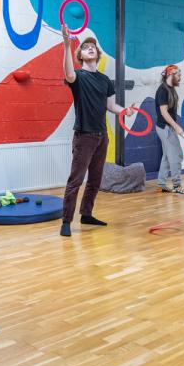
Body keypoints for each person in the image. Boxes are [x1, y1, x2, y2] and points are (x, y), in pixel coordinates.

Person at [60, 25, 134, 237]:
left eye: (93, 46)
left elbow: (112, 106)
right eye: (86, 47)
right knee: (76, 180)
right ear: (80, 55)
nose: (90, 48)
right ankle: (66, 221)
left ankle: (86, 214)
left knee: (95, 179)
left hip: (102, 137)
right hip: (84, 136)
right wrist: (66, 44)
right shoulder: (78, 77)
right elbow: (67, 72)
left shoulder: (104, 80)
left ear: (97, 54)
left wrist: (125, 111)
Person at [155, 64, 184, 195]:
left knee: (167, 156)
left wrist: (174, 126)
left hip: (167, 128)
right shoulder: (162, 90)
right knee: (176, 155)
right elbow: (164, 112)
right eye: (178, 74)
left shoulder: (171, 89)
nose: (180, 77)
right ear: (171, 74)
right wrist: (176, 126)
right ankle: (177, 185)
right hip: (165, 128)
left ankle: (161, 184)